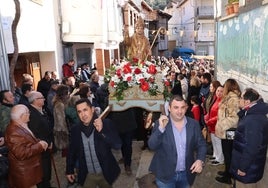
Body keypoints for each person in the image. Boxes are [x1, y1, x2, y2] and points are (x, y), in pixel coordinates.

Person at [148, 95, 207, 188]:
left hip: (186, 174)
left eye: (182, 107)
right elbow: (152, 145)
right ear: (169, 108)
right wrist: (161, 129)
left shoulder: (193, 124)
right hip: (165, 175)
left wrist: (200, 160)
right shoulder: (161, 124)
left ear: (186, 108)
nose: (180, 111)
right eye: (176, 107)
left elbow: (201, 144)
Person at [66, 98, 122, 187]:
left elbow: (117, 145)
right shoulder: (75, 130)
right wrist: (69, 170)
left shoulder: (105, 123)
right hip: (87, 175)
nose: (83, 114)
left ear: (92, 109)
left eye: (85, 110)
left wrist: (101, 131)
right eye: (79, 112)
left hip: (105, 173)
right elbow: (71, 151)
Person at [230, 88, 268, 188]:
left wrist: (243, 168)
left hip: (248, 169)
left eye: (240, 98)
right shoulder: (252, 113)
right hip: (250, 165)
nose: (239, 99)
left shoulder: (253, 121)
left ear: (247, 102)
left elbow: (252, 147)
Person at [5, 104, 48, 188]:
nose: (30, 114)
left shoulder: (20, 126)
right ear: (21, 116)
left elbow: (28, 141)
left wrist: (40, 142)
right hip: (25, 174)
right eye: (28, 113)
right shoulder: (13, 132)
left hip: (28, 170)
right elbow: (21, 153)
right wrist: (39, 145)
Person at [215, 78, 241, 184]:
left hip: (229, 130)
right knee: (227, 153)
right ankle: (227, 172)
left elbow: (234, 118)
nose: (223, 87)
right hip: (227, 130)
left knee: (228, 153)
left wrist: (222, 125)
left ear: (229, 86)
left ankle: (228, 177)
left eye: (225, 85)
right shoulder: (229, 97)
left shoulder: (233, 99)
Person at [27, 91, 54, 188]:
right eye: (42, 97)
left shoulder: (40, 109)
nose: (44, 99)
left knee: (47, 173)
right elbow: (34, 134)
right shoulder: (32, 115)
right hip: (41, 151)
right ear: (35, 100)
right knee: (43, 174)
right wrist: (47, 142)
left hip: (46, 147)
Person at [108, 108, 138, 176]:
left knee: (127, 144)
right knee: (122, 143)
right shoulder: (110, 97)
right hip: (117, 123)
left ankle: (127, 164)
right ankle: (125, 157)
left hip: (128, 122)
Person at [204, 85, 224, 166]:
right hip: (212, 125)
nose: (219, 93)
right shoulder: (216, 99)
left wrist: (209, 121)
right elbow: (211, 109)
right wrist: (207, 116)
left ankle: (220, 159)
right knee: (214, 142)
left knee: (218, 143)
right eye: (218, 90)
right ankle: (215, 156)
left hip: (217, 126)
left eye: (221, 91)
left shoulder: (222, 102)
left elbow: (220, 116)